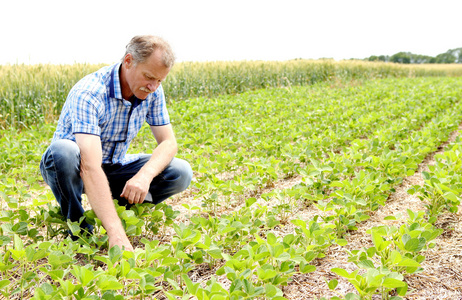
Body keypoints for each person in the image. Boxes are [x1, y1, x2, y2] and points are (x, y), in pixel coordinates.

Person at [40, 35, 193, 252]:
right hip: (74, 168)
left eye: (160, 80)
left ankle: (123, 209)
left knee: (180, 171)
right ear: (128, 61)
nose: (153, 87)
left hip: (114, 166)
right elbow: (89, 166)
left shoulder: (153, 90)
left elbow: (168, 143)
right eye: (149, 77)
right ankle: (79, 229)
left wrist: (144, 176)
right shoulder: (90, 92)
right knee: (64, 151)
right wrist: (115, 232)